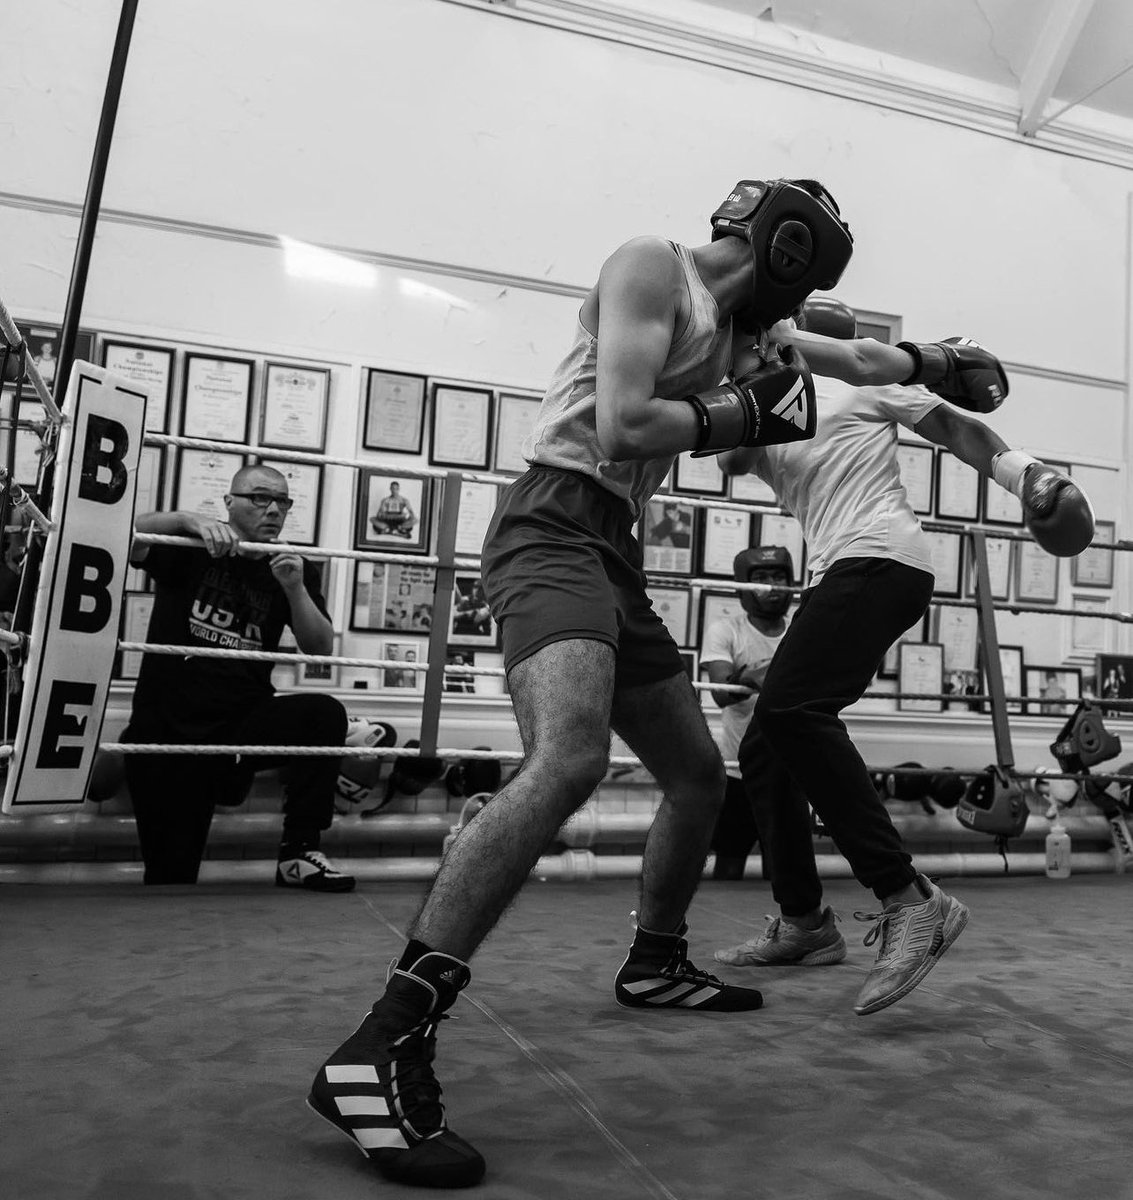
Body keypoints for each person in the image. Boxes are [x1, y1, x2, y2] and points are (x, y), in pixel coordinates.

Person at [308, 177, 1007, 1189]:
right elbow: (623, 426)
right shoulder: (651, 269)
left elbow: (851, 358)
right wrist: (740, 414)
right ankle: (383, 1040)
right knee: (570, 758)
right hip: (550, 524)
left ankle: (655, 959)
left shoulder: (749, 335)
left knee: (693, 774)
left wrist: (936, 361)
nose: (788, 333)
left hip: (611, 552)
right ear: (786, 247)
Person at [714, 298, 1094, 1012]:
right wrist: (738, 381)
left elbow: (953, 425)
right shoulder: (766, 400)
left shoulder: (857, 376)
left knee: (794, 709)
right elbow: (732, 457)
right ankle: (803, 922)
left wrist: (1025, 476)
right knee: (766, 747)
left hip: (883, 559)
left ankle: (909, 898)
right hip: (838, 569)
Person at [121, 464, 355, 892]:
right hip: (171, 732)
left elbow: (320, 646)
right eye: (260, 498)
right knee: (171, 879)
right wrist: (186, 520)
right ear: (229, 502)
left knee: (323, 714)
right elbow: (124, 532)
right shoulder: (188, 547)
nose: (274, 510)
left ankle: (299, 852)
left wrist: (295, 589)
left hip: (241, 725)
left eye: (283, 502)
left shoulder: (291, 566)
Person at [698, 544, 796, 880]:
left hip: (791, 770)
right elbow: (721, 693)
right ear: (745, 583)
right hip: (739, 771)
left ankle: (790, 928)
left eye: (779, 576)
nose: (771, 585)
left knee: (784, 866)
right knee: (729, 858)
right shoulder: (727, 630)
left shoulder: (802, 627)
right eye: (762, 577)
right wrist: (749, 676)